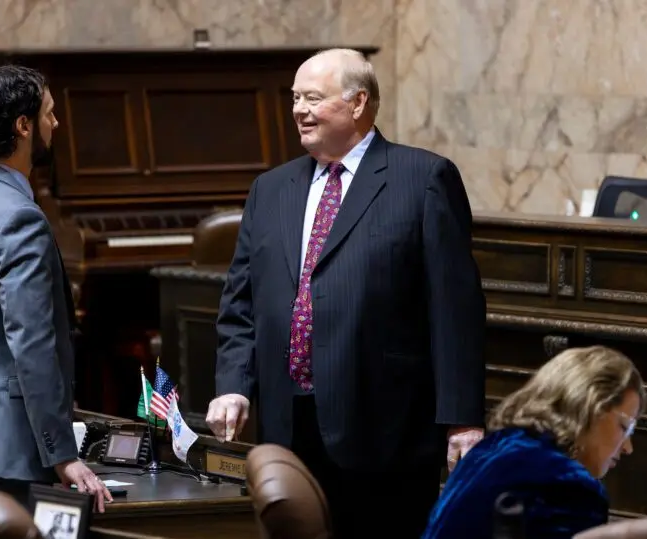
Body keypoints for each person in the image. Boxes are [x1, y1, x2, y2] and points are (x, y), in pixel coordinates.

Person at [206, 48, 487, 536]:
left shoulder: (422, 179)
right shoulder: (270, 189)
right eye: (295, 98)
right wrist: (233, 383)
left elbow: (455, 310)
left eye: (312, 98)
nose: (298, 109)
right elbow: (240, 304)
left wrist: (462, 419)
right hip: (286, 424)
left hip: (385, 429)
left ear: (358, 104)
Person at [0, 65, 111, 511]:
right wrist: (63, 455)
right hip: (12, 450)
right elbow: (31, 342)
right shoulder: (19, 218)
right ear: (23, 125)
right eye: (49, 113)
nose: (56, 123)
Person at [422, 346, 645, 538]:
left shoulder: (492, 447)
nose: (628, 447)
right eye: (625, 427)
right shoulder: (570, 486)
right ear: (592, 409)